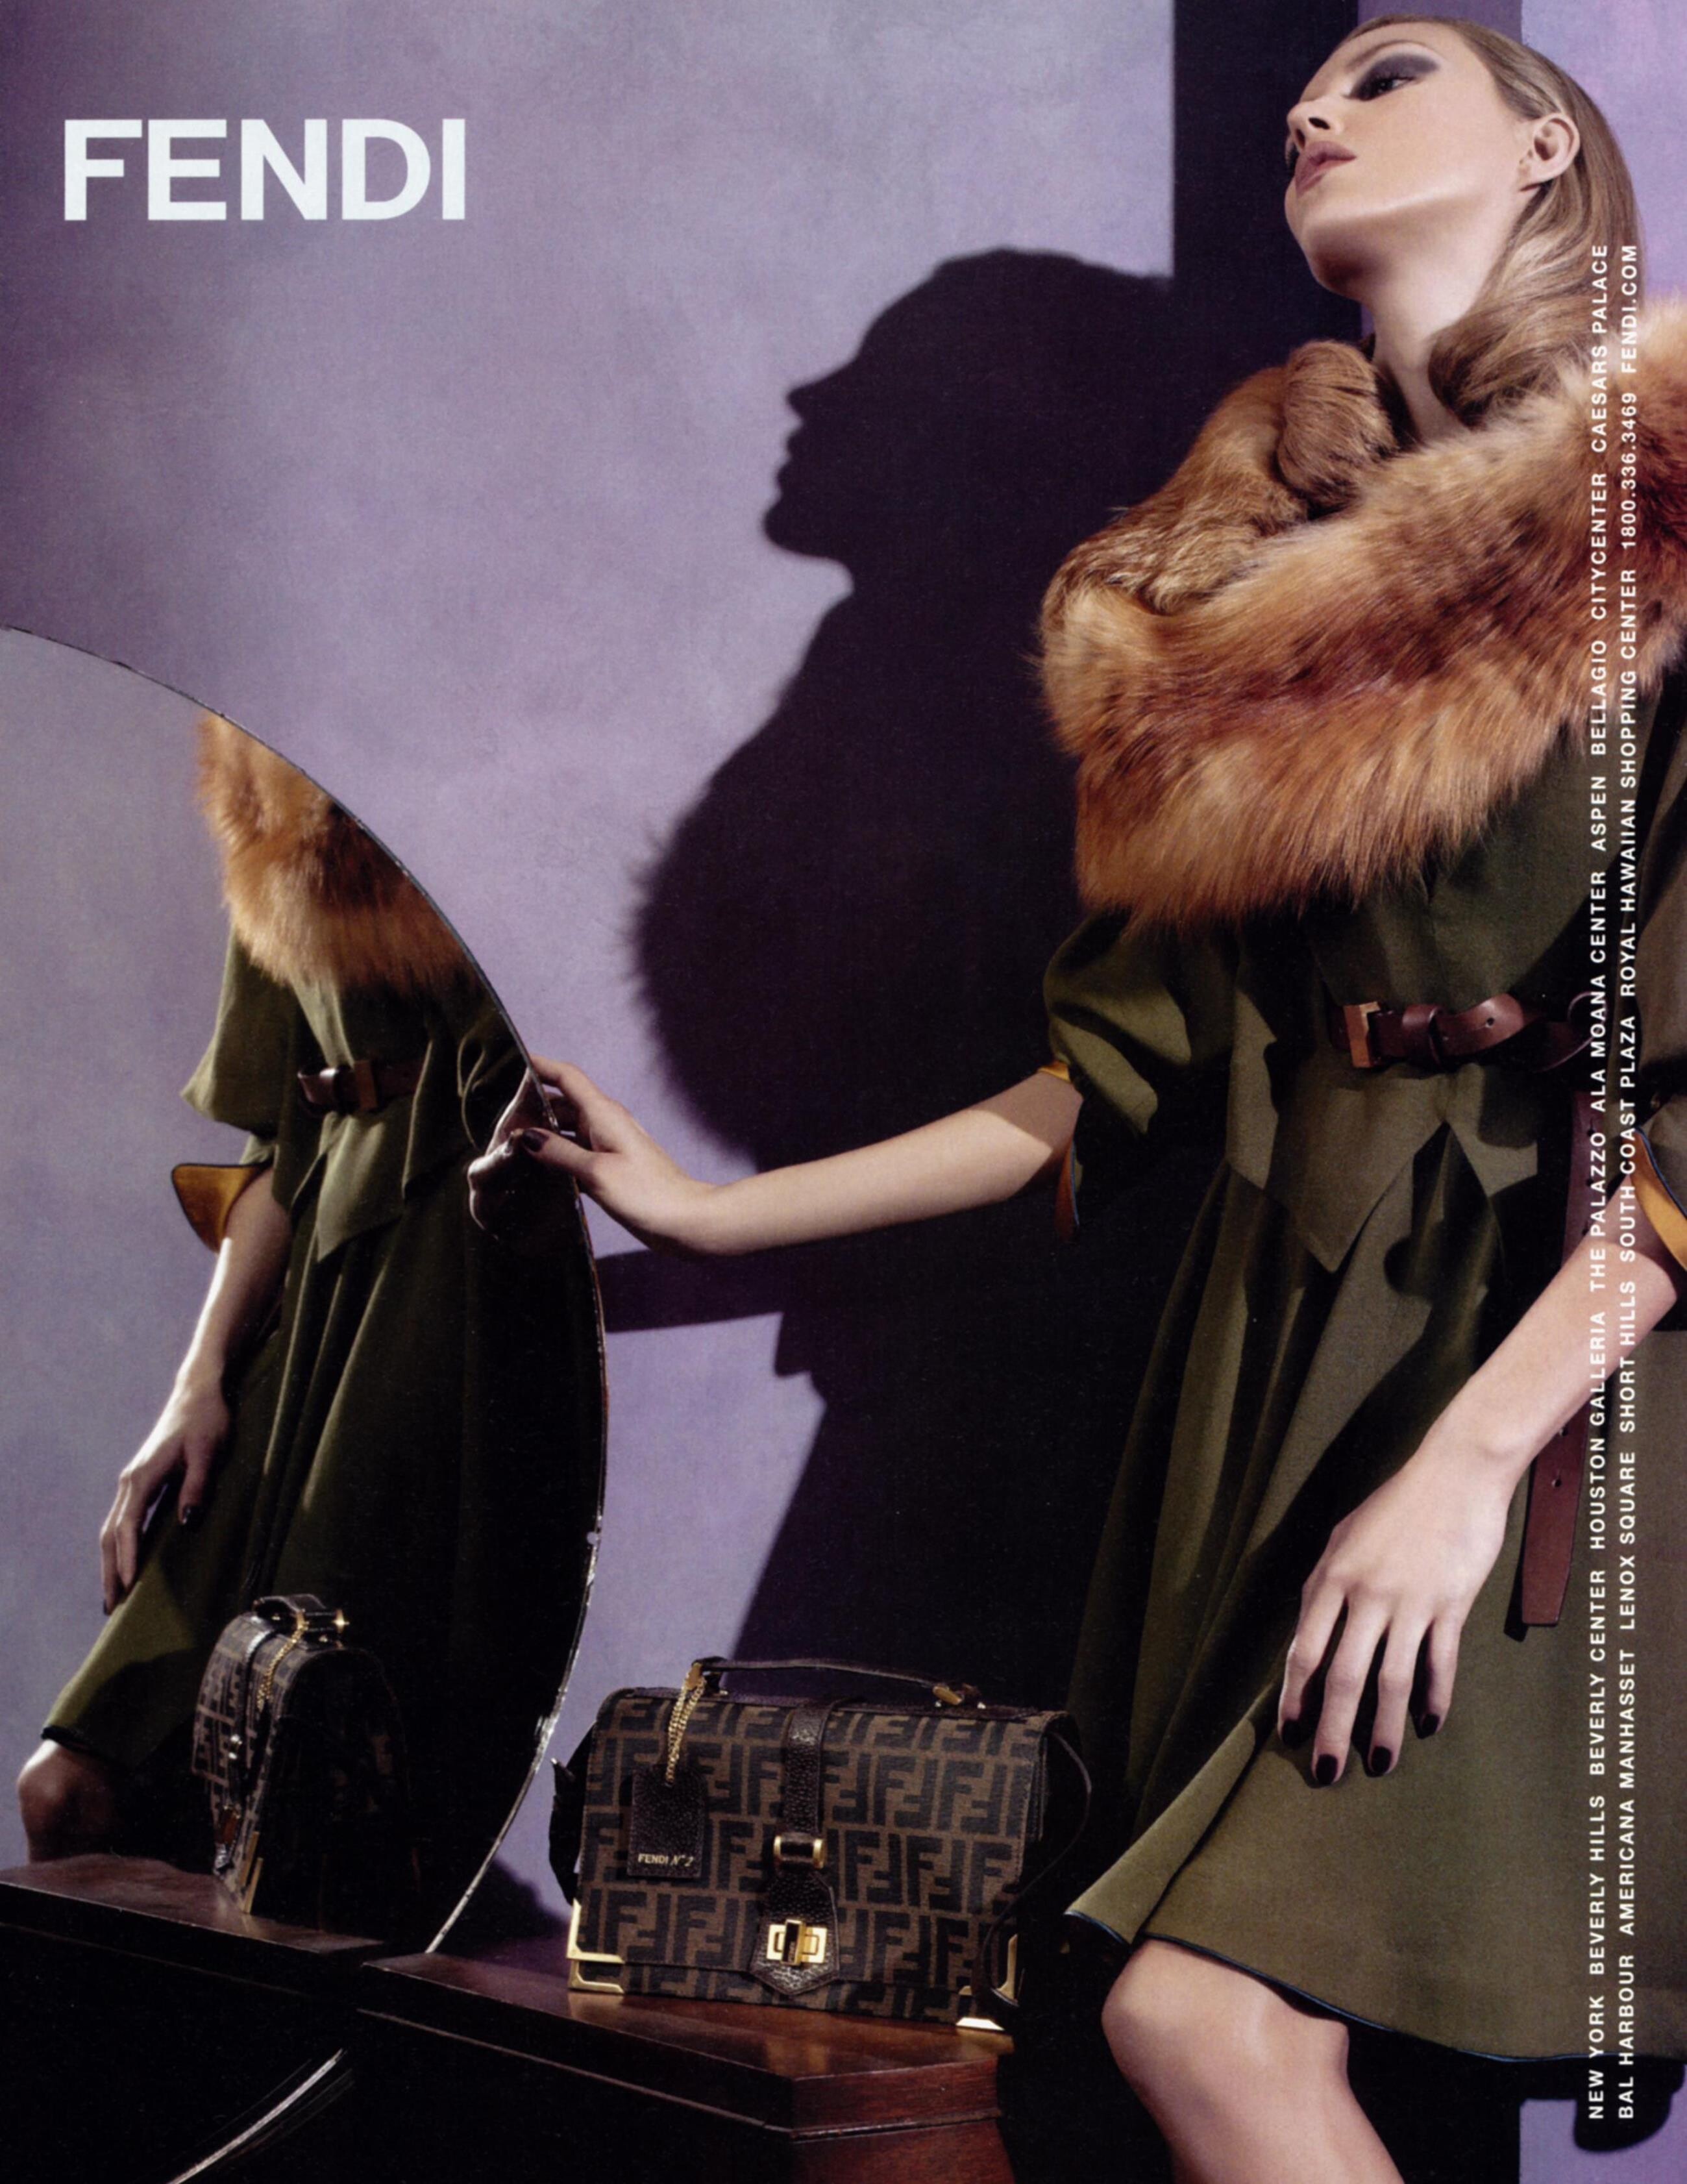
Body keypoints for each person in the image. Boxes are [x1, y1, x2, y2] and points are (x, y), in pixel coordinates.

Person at [470, 17, 1687, 2180]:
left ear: (1542, 146)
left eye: (1392, 77)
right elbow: (1114, 1073)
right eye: (1310, 87)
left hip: (1547, 1371)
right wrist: (709, 1211)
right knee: (1183, 2026)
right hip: (1272, 1365)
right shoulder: (1237, 595)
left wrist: (1473, 1462)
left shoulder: (1659, 507)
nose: (1315, 110)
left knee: (1200, 2017)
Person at [18, 717, 601, 1919]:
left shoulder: (485, 746)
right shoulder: (259, 764)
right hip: (314, 1289)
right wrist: (197, 1383)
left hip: (460, 1282)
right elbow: (282, 1134)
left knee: (320, 1816)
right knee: (70, 1789)